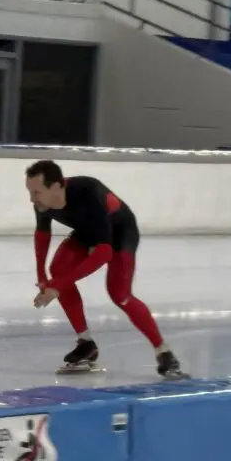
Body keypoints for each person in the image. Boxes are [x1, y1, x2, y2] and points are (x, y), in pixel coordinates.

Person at [25, 159, 185, 378]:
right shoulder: (43, 202)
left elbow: (104, 253)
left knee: (120, 295)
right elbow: (42, 233)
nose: (32, 199)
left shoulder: (87, 193)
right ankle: (86, 343)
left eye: (36, 192)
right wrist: (43, 277)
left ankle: (164, 352)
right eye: (30, 192)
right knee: (59, 270)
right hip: (88, 231)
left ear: (55, 187)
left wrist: (57, 286)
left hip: (120, 234)